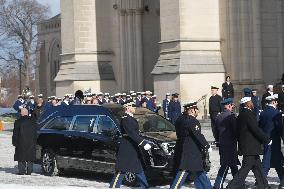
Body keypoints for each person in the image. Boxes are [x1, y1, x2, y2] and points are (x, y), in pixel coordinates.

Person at [226, 97, 271, 189]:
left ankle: (264, 185)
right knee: (244, 170)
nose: (253, 103)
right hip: (250, 148)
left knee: (257, 168)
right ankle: (231, 186)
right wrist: (267, 139)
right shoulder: (248, 114)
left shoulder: (241, 114)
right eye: (251, 102)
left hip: (249, 147)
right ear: (247, 104)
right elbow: (255, 129)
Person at [109, 100, 152, 188]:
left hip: (133, 148)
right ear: (128, 108)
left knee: (138, 169)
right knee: (121, 171)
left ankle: (145, 187)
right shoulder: (125, 119)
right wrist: (143, 143)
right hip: (127, 149)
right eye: (133, 106)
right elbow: (132, 133)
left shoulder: (130, 118)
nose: (135, 107)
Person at [170, 102, 212, 189]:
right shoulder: (192, 121)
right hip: (191, 151)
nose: (197, 111)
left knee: (199, 172)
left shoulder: (180, 119)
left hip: (185, 149)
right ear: (192, 110)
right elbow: (197, 135)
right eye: (196, 110)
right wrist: (206, 145)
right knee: (183, 171)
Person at [213, 98, 239, 189]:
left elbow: (215, 131)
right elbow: (235, 130)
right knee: (225, 165)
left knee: (233, 165)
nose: (232, 107)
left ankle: (239, 184)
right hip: (230, 144)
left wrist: (217, 140)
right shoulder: (231, 116)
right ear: (228, 105)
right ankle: (217, 185)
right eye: (232, 105)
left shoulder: (218, 116)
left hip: (222, 144)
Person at [259, 95, 284, 189]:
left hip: (266, 140)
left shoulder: (263, 113)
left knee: (268, 162)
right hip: (275, 142)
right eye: (276, 102)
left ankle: (261, 181)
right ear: (274, 102)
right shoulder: (276, 113)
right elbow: (280, 128)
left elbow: (260, 127)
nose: (277, 103)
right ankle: (281, 182)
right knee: (277, 162)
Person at [12, 108, 37, 175]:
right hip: (31, 142)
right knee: (30, 157)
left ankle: (22, 171)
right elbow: (35, 132)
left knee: (21, 157)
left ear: (22, 113)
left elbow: (15, 133)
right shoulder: (33, 121)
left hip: (21, 142)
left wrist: (14, 142)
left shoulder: (18, 121)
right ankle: (29, 171)